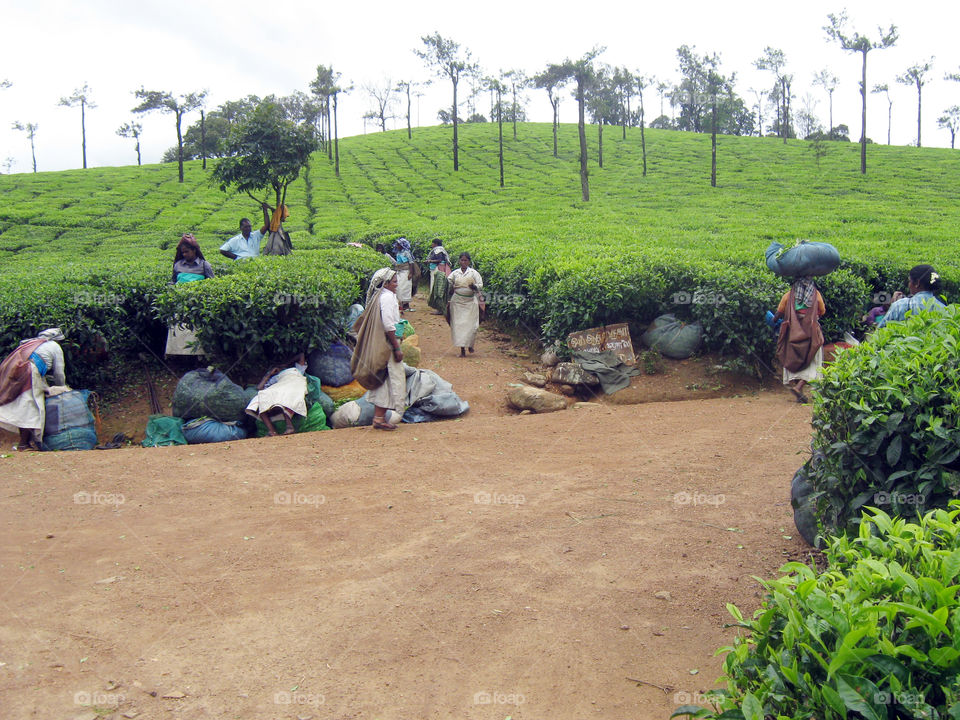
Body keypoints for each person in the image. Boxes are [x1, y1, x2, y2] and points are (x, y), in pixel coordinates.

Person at [354, 268, 406, 430]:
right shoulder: (387, 298)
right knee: (390, 378)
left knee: (384, 380)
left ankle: (379, 417)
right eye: (394, 281)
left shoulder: (380, 296)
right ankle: (379, 418)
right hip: (388, 344)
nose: (397, 284)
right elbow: (389, 324)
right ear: (386, 283)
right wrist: (396, 348)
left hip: (383, 342)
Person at [0, 328, 69, 451]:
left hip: (18, 371)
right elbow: (59, 373)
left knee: (23, 405)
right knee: (31, 408)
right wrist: (63, 388)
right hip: (29, 372)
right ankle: (23, 444)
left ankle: (26, 442)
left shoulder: (31, 343)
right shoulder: (55, 346)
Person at [773, 277, 825, 403]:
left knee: (793, 357)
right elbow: (822, 311)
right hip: (811, 332)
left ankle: (798, 388)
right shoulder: (816, 294)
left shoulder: (789, 295)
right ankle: (799, 387)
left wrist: (774, 319)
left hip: (792, 332)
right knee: (812, 358)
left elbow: (778, 314)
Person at [166, 234, 214, 357]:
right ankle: (178, 355)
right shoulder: (178, 265)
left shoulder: (204, 265)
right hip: (180, 304)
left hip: (197, 305)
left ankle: (197, 356)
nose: (185, 255)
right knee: (179, 330)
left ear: (194, 250)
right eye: (183, 253)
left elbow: (213, 283)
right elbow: (173, 281)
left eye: (187, 252)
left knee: (195, 333)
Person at [245, 352, 309, 436]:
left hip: (294, 384)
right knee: (261, 399)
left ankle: (290, 427)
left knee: (283, 396)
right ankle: (272, 431)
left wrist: (285, 364)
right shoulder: (275, 378)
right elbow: (259, 388)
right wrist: (270, 374)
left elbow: (301, 355)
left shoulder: (297, 370)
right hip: (280, 387)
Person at [875, 265, 946, 328]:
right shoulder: (943, 309)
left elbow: (879, 332)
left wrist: (893, 306)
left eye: (909, 281)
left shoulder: (900, 305)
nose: (909, 285)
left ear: (917, 283)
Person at [447, 252, 484, 357]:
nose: (463, 262)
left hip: (470, 302)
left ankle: (470, 344)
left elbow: (480, 285)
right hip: (457, 302)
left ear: (469, 261)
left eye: (465, 260)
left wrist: (474, 286)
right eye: (461, 260)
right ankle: (462, 350)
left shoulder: (473, 273)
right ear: (459, 261)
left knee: (472, 326)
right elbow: (448, 283)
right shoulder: (455, 273)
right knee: (459, 325)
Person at [393, 237, 418, 312]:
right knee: (399, 287)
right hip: (400, 271)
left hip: (405, 271)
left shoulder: (406, 252)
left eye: (398, 244)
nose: (397, 246)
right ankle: (401, 304)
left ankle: (406, 305)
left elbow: (411, 263)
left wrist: (410, 273)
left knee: (406, 287)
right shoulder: (398, 252)